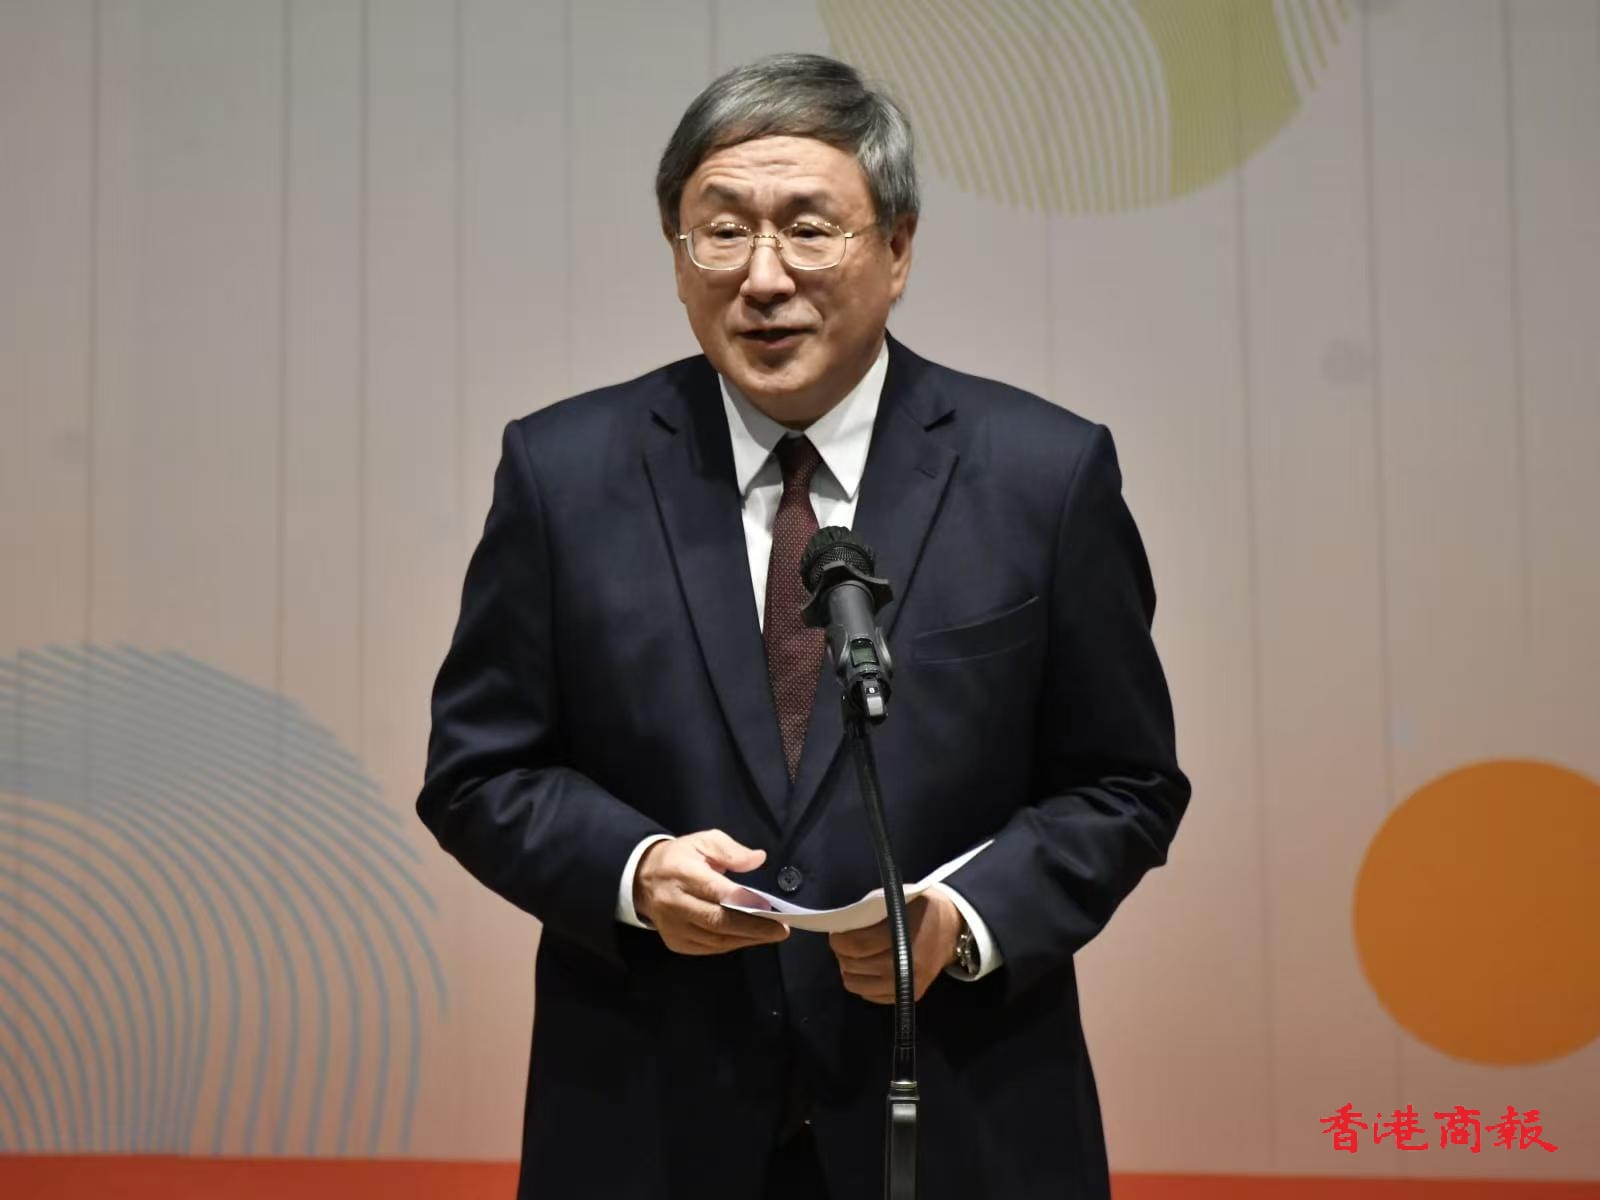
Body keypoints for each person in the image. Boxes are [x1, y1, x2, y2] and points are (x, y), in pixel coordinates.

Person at [418, 52, 1189, 1200]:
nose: (763, 278)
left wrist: (966, 917)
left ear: (898, 248)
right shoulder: (562, 472)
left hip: (955, 1117)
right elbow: (480, 771)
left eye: (809, 231)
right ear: (677, 255)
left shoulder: (1044, 473)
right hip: (649, 1124)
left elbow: (1123, 782)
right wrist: (633, 872)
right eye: (721, 232)